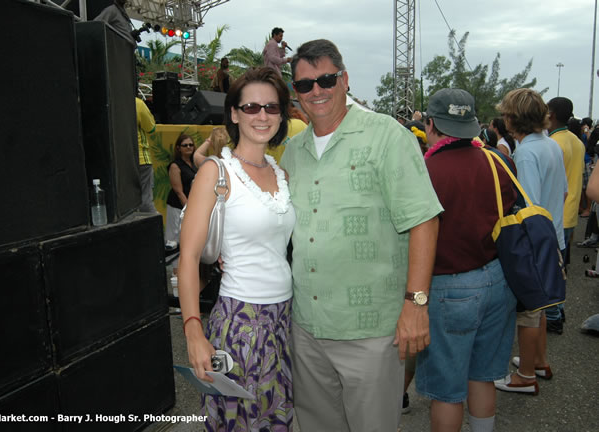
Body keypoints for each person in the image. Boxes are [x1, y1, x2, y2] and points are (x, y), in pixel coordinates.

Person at [280, 39, 443, 431]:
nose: (316, 91)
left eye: (326, 79)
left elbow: (424, 220)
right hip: (306, 327)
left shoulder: (387, 136)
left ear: (345, 79)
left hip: (370, 331)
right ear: (295, 93)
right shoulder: (292, 151)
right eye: (304, 85)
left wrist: (416, 304)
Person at [178, 67, 295, 430]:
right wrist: (193, 331)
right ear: (234, 113)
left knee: (276, 420)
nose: (262, 116)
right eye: (251, 107)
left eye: (272, 108)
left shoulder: (281, 174)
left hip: (284, 319)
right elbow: (188, 257)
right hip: (240, 320)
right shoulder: (216, 172)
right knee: (236, 422)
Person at [416, 88, 517, 432]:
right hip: (497, 279)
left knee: (447, 390)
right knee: (482, 376)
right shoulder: (496, 160)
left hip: (448, 287)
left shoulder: (425, 169)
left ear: (430, 124)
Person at [494, 88, 566, 396]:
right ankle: (538, 361)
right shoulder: (550, 145)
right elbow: (561, 192)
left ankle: (525, 375)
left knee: (527, 311)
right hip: (555, 237)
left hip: (535, 243)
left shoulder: (525, 153)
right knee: (542, 304)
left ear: (513, 118)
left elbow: (529, 205)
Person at [545, 97, 585, 334]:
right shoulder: (576, 141)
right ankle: (558, 309)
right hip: (570, 212)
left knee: (552, 268)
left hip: (557, 211)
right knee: (560, 267)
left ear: (551, 114)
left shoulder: (555, 143)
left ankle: (553, 315)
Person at [165, 134, 197, 256]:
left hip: (191, 205)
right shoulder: (175, 165)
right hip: (177, 206)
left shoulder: (194, 163)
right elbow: (178, 191)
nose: (189, 147)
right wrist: (187, 209)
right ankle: (175, 273)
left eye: (191, 145)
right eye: (185, 145)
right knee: (174, 240)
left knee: (188, 239)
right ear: (178, 148)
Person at [135, 95, 158, 213]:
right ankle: (155, 230)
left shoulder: (109, 102)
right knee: (146, 201)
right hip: (141, 159)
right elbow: (151, 128)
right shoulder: (137, 103)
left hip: (119, 159)